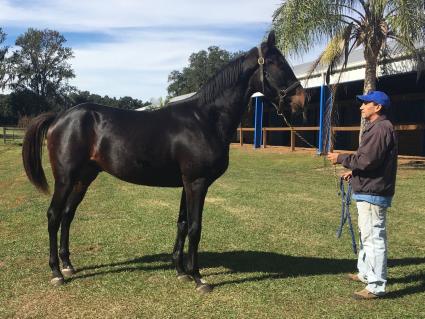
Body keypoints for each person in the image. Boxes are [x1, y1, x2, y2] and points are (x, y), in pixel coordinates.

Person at [327, 90, 398, 300]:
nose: (361, 107)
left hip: (373, 191)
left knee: (373, 237)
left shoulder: (381, 129)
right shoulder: (376, 128)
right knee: (365, 235)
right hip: (368, 189)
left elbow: (367, 160)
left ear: (378, 107)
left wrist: (341, 158)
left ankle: (376, 286)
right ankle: (366, 273)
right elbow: (371, 161)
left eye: (366, 103)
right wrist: (353, 171)